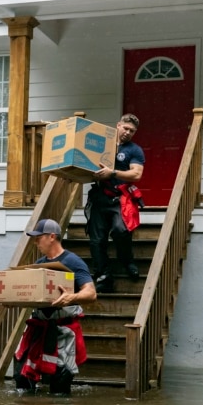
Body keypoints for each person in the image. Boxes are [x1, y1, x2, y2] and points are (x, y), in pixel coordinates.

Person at [14, 218, 97, 395]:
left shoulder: (73, 262)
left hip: (63, 330)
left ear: (52, 236)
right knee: (21, 378)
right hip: (39, 327)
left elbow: (91, 293)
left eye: (39, 237)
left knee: (60, 384)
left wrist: (71, 297)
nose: (35, 242)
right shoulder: (39, 265)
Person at [86, 113, 145, 293]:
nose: (127, 133)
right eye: (125, 128)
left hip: (120, 198)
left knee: (121, 230)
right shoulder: (100, 144)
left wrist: (113, 173)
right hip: (99, 196)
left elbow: (136, 174)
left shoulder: (134, 150)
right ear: (118, 125)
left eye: (132, 131)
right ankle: (104, 274)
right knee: (96, 239)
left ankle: (127, 261)